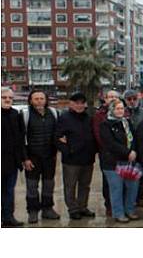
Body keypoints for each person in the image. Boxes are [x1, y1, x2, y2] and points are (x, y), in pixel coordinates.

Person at [55, 92, 97, 220]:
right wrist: (68, 150)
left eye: (82, 103)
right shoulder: (64, 117)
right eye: (76, 103)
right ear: (71, 104)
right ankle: (73, 209)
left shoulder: (88, 117)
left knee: (85, 185)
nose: (79, 105)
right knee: (70, 185)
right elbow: (56, 137)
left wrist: (93, 150)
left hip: (88, 158)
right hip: (71, 160)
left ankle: (82, 206)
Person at [21, 89, 60, 223]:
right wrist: (25, 159)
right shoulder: (25, 115)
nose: (39, 101)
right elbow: (21, 139)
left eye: (41, 98)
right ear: (31, 100)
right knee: (32, 186)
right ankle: (32, 211)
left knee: (49, 184)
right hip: (32, 158)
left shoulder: (53, 113)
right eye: (36, 98)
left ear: (46, 100)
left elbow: (57, 134)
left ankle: (47, 209)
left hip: (49, 157)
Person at [99, 99, 140, 223]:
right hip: (113, 163)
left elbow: (134, 138)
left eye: (122, 108)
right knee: (117, 189)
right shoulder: (105, 124)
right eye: (117, 108)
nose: (120, 111)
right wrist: (127, 152)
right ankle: (118, 213)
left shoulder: (127, 122)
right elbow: (110, 143)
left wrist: (133, 151)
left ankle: (130, 210)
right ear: (111, 110)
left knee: (132, 187)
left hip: (129, 162)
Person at [93, 89, 121, 216]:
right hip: (107, 154)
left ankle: (120, 205)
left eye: (115, 97)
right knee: (108, 181)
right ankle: (109, 205)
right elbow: (99, 135)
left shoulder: (123, 113)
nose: (113, 99)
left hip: (122, 155)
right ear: (105, 99)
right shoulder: (100, 115)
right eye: (110, 97)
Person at [1, 88, 26, 227]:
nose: (7, 100)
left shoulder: (16, 114)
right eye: (3, 97)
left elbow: (21, 138)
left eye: (10, 97)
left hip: (12, 162)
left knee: (9, 191)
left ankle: (8, 217)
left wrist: (22, 158)